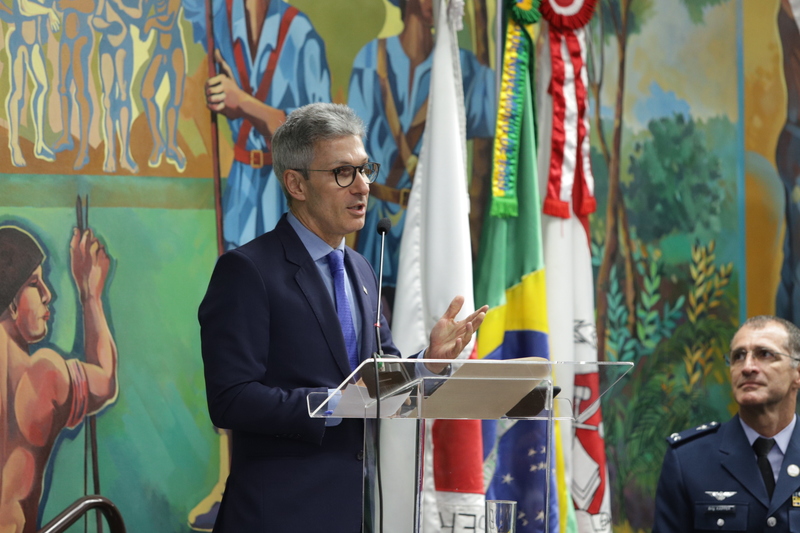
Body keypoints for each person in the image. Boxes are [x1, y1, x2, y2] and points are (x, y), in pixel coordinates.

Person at [198, 102, 486, 532]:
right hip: (277, 517)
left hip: (353, 514)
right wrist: (330, 404)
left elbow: (381, 376)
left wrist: (430, 360)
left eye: (364, 169)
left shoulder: (361, 270)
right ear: (295, 183)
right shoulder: (247, 272)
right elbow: (230, 400)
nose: (363, 187)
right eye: (342, 173)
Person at [347, 0, 495, 296]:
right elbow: (354, 144)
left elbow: (495, 118)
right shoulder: (370, 58)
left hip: (435, 227)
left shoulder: (462, 66)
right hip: (380, 226)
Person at [0, 225, 118, 532]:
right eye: (34, 283)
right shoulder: (41, 375)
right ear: (10, 298)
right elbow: (105, 381)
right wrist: (90, 294)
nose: (47, 295)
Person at [653, 315, 800, 532]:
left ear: (797, 372)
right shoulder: (687, 460)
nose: (747, 367)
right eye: (738, 356)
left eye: (765, 354)